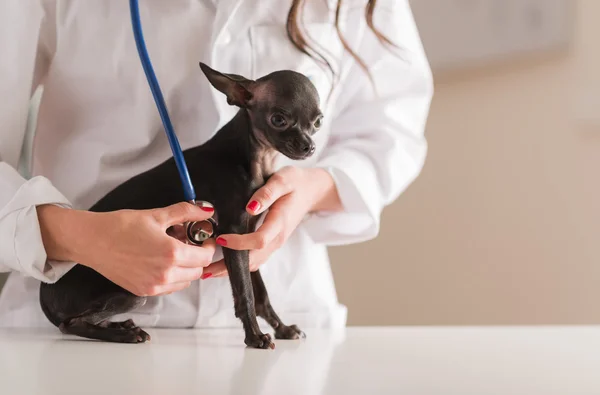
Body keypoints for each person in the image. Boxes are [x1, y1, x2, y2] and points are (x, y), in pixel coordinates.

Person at [0, 0, 433, 329]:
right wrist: (78, 235)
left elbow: (389, 132)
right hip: (74, 313)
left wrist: (309, 191)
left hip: (286, 319)